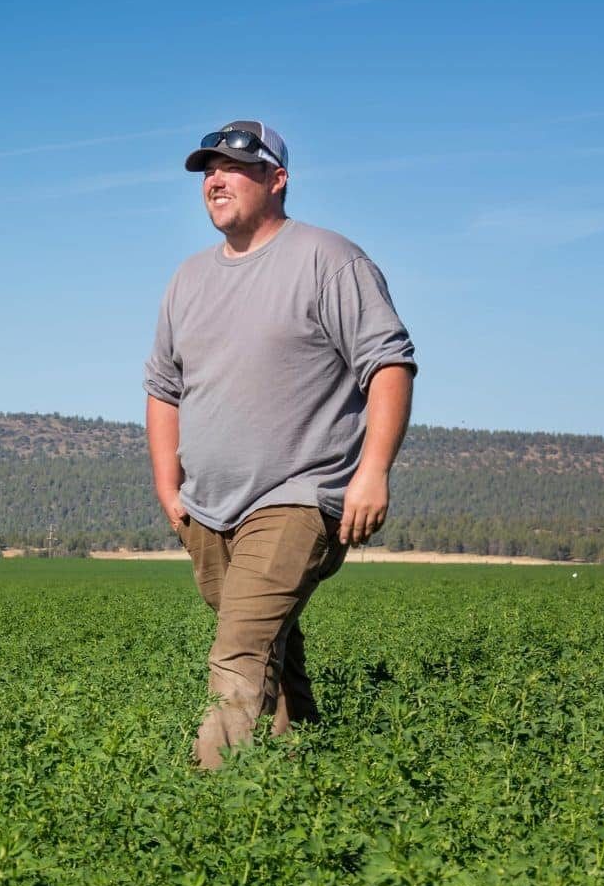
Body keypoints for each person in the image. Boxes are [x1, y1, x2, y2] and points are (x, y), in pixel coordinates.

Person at [143, 121, 417, 769]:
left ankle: (206, 804)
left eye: (234, 167)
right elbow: (162, 387)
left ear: (276, 178)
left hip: (298, 496)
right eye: (208, 170)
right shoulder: (187, 280)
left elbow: (389, 365)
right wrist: (165, 482)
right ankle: (308, 766)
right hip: (208, 508)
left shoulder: (329, 260)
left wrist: (373, 471)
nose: (215, 179)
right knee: (271, 643)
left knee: (239, 650)